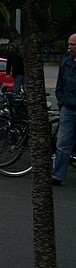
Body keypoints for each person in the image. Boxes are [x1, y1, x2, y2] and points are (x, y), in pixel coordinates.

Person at [52, 34, 76, 185]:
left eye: (73, 44)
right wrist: (62, 103)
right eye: (69, 44)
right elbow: (59, 85)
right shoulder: (66, 62)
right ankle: (57, 176)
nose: (70, 47)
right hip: (68, 108)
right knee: (62, 145)